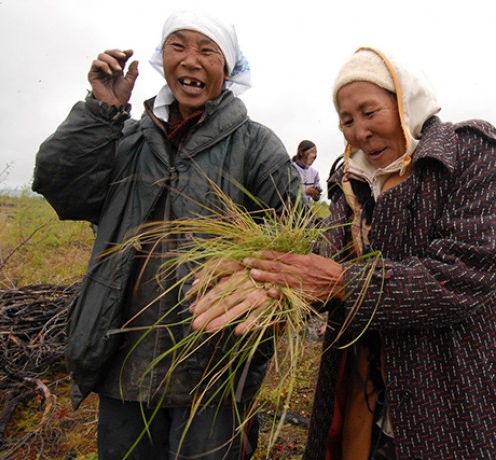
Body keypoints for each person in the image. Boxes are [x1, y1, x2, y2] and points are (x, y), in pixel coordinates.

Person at [190, 47, 496, 459]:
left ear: (404, 103)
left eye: (370, 112)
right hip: (369, 382)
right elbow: (327, 250)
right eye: (347, 120)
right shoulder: (352, 179)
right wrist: (265, 270)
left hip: (454, 379)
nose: (359, 131)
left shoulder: (468, 152)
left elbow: (462, 273)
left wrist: (340, 282)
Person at [32, 10, 301, 460]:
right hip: (124, 356)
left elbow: (295, 231)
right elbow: (63, 186)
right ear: (162, 60)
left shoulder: (256, 145)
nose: (191, 61)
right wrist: (102, 111)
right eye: (178, 47)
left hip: (212, 362)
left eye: (207, 50)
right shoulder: (127, 138)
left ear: (229, 70)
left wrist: (252, 273)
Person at [292, 139, 323, 204]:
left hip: (306, 210)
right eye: (312, 152)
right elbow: (287, 193)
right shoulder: (291, 169)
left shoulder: (315, 173)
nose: (314, 155)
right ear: (301, 153)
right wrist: (305, 192)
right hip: (290, 209)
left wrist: (316, 194)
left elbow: (316, 199)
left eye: (315, 153)